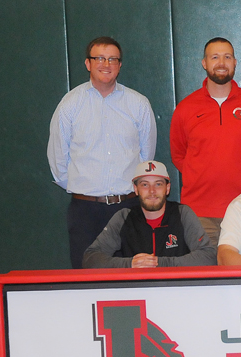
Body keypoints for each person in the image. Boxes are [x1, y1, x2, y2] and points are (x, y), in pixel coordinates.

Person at [48, 36, 157, 269]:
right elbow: (58, 160)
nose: (106, 64)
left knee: (133, 276)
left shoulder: (138, 104)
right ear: (88, 63)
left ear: (120, 65)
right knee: (86, 277)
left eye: (112, 59)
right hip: (85, 212)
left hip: (128, 208)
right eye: (99, 58)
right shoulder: (70, 104)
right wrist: (85, 188)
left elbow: (146, 158)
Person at [170, 37, 241, 264]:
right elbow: (178, 154)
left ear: (235, 62)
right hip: (199, 213)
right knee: (202, 278)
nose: (221, 63)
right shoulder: (186, 108)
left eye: (227, 57)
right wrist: (201, 174)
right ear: (204, 63)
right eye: (214, 57)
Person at [82, 161, 214, 268]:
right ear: (136, 189)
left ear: (167, 188)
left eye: (158, 184)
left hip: (174, 288)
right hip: (136, 289)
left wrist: (159, 263)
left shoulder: (182, 213)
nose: (152, 191)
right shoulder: (124, 217)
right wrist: (129, 264)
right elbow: (90, 259)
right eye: (145, 185)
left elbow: (208, 256)